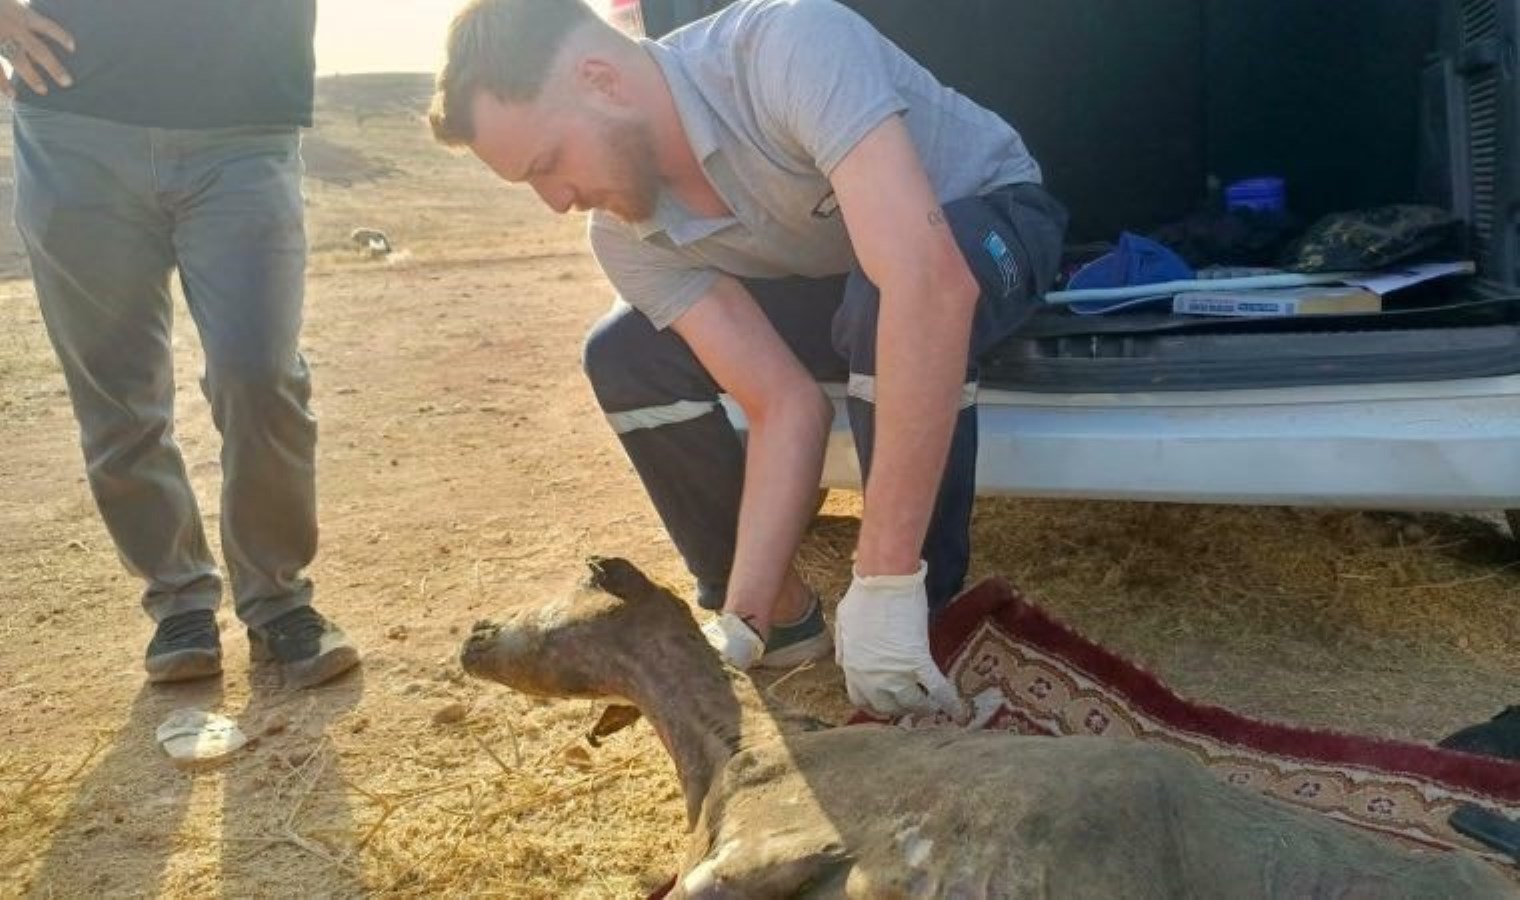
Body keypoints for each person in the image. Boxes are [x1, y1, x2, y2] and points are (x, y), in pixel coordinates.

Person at [428, 0, 1066, 717]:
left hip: (988, 216)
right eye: (530, 185)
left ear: (601, 80)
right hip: (853, 269)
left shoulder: (787, 46)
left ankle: (917, 611)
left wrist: (881, 576)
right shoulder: (620, 236)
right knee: (625, 352)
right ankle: (779, 619)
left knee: (887, 298)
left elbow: (929, 282)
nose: (556, 201)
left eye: (548, 163)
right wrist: (744, 616)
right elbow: (781, 403)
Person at [4, 0, 359, 688]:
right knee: (115, 391)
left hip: (245, 119)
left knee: (259, 374)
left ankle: (278, 599)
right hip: (75, 119)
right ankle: (178, 602)